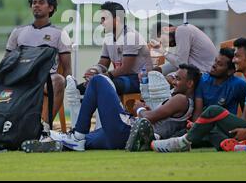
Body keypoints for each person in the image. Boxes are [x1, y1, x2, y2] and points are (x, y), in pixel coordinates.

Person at [150, 38, 246, 152]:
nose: (234, 60)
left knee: (213, 111)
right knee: (211, 127)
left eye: (237, 56)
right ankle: (237, 146)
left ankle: (182, 143)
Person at [22, 64, 200, 152]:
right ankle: (62, 143)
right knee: (84, 142)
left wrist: (138, 109)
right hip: (120, 136)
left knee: (99, 81)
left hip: (128, 133)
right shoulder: (177, 99)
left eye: (178, 78)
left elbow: (149, 118)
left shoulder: (182, 100)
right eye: (174, 77)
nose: (173, 81)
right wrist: (139, 111)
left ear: (190, 83)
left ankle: (76, 135)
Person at [5, 0, 72, 122]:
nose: (36, 5)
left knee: (59, 81)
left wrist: (64, 87)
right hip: (21, 80)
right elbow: (5, 63)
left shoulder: (60, 33)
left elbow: (67, 69)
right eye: (34, 2)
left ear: (51, 8)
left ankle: (44, 128)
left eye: (41, 2)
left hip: (45, 82)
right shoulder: (18, 32)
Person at [192, 48, 246, 121]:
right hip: (203, 125)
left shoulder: (239, 85)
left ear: (230, 71)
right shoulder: (202, 80)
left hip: (225, 128)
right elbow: (197, 112)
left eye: (219, 64)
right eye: (215, 61)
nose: (214, 65)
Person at [150, 22, 217, 75]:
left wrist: (163, 52)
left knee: (169, 80)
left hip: (206, 76)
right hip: (202, 73)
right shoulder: (183, 30)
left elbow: (181, 64)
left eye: (161, 40)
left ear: (165, 29)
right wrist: (160, 69)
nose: (163, 44)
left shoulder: (182, 30)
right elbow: (179, 62)